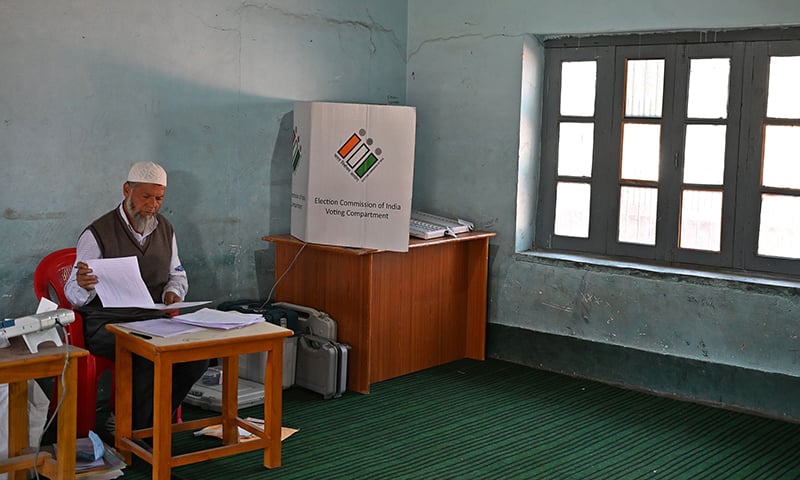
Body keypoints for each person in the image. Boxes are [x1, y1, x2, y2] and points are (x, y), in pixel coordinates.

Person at [65, 161, 208, 433]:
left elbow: (177, 274)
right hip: (105, 323)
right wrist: (84, 285)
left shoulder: (165, 229)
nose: (152, 205)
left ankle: (150, 422)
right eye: (145, 197)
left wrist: (172, 292)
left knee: (195, 358)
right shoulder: (96, 234)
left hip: (151, 318)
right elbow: (73, 295)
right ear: (126, 190)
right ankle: (134, 430)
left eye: (159, 199)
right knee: (146, 355)